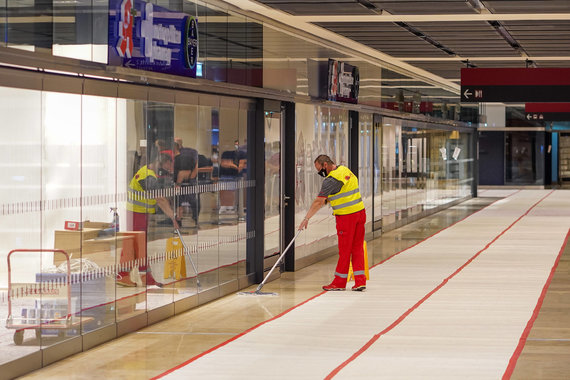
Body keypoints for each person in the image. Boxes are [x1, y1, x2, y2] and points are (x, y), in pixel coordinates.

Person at [298, 154, 367, 291]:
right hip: (360, 213)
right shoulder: (345, 170)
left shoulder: (330, 180)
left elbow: (319, 201)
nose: (319, 173)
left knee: (345, 250)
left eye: (319, 169)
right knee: (357, 248)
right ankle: (360, 281)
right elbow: (342, 192)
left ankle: (339, 283)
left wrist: (306, 219)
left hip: (346, 217)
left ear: (325, 165)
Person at [124, 153, 180, 287]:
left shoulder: (149, 174)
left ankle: (131, 276)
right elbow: (159, 199)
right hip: (136, 214)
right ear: (162, 163)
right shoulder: (147, 175)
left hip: (139, 213)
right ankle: (131, 276)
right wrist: (173, 217)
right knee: (137, 246)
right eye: (169, 164)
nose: (170, 167)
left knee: (135, 246)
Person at [173, 137, 198, 227]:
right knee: (178, 201)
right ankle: (178, 219)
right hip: (178, 183)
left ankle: (194, 218)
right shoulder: (173, 158)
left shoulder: (185, 157)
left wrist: (179, 184)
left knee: (190, 200)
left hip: (183, 184)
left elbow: (184, 172)